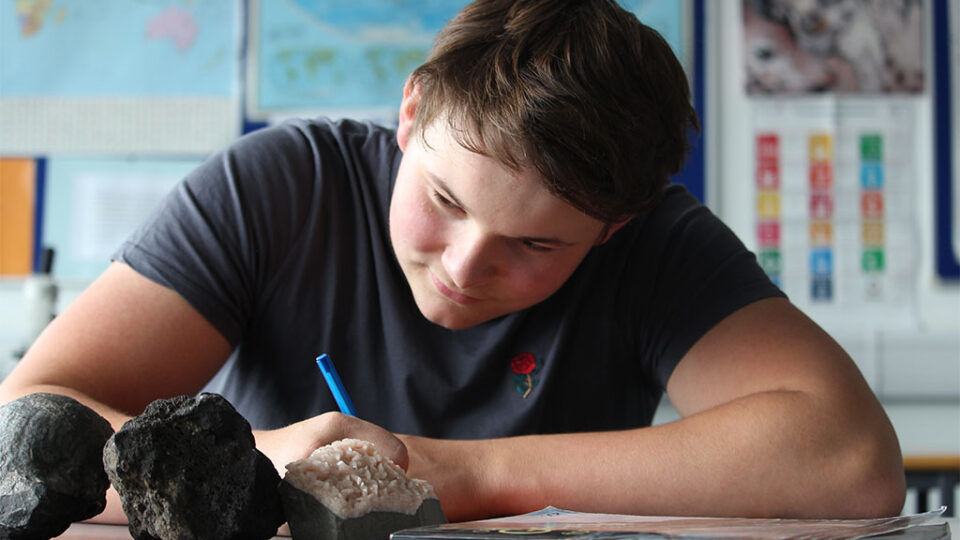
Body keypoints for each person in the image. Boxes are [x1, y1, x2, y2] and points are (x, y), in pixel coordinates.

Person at [0, 0, 904, 525]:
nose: (467, 266)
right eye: (444, 200)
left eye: (538, 245)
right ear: (412, 111)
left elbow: (849, 459)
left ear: (614, 228)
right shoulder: (282, 186)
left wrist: (457, 474)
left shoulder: (659, 241)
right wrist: (265, 461)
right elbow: (27, 428)